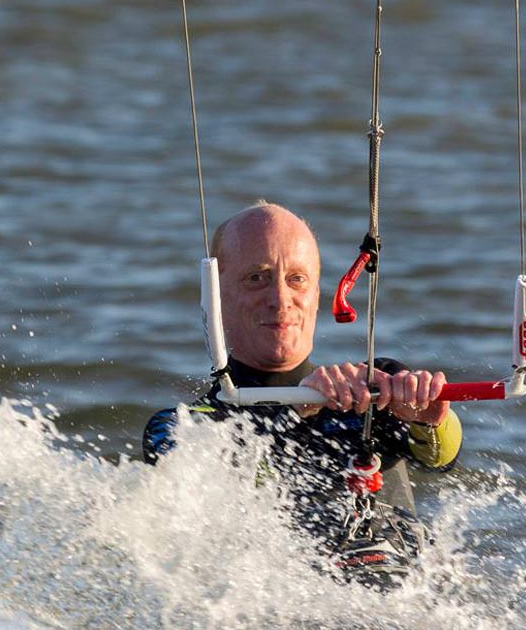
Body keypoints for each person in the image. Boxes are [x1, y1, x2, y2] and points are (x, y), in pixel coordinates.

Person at [142, 202, 462, 577]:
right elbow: (202, 474)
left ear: (316, 296)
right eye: (256, 278)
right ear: (215, 297)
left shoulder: (375, 387)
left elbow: (440, 460)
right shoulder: (185, 426)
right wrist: (297, 409)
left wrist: (429, 415)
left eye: (296, 279)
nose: (280, 299)